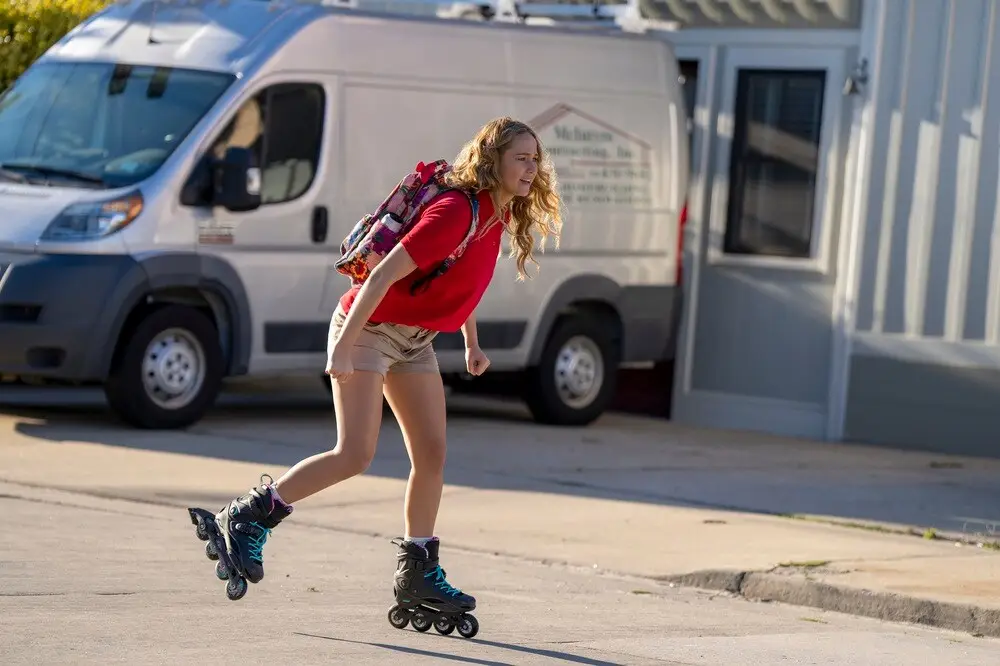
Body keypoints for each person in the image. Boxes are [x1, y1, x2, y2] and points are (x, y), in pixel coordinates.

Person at [210, 116, 563, 615]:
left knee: (432, 454)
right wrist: (342, 349)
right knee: (354, 453)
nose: (532, 168)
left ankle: (417, 570)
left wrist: (471, 342)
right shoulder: (453, 212)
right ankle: (248, 517)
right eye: (521, 158)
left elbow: (463, 280)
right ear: (495, 161)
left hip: (413, 343)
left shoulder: (495, 215)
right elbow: (377, 279)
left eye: (535, 159)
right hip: (369, 329)